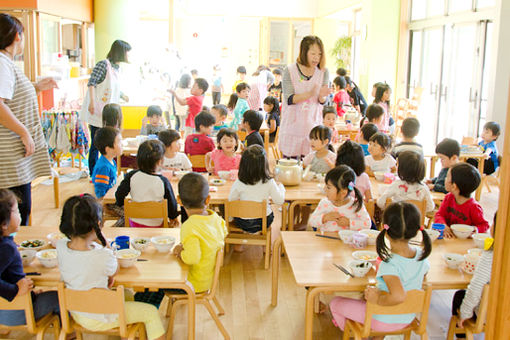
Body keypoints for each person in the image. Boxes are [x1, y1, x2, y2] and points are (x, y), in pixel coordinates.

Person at [56, 194, 165, 340]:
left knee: (126, 295)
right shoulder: (102, 255)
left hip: (77, 312)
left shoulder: (61, 246)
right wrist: (105, 242)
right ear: (98, 224)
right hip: (102, 315)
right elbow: (115, 270)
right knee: (150, 313)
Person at [330, 202, 431, 334]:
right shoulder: (421, 255)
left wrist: (377, 299)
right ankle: (377, 336)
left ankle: (355, 335)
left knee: (335, 303)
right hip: (408, 317)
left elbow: (399, 296)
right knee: (364, 298)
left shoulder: (390, 264)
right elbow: (422, 277)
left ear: (386, 230)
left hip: (383, 321)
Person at [0, 13, 57, 225]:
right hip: (9, 157)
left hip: (13, 156)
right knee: (15, 214)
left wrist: (36, 87)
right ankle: (14, 256)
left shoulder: (6, 63)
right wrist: (24, 132)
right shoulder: (2, 62)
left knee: (18, 211)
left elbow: (9, 94)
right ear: (17, 36)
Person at [0, 189, 60, 326]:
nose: (20, 212)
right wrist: (15, 290)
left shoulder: (6, 243)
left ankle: (32, 298)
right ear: (4, 224)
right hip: (14, 312)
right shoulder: (6, 248)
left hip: (6, 309)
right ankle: (69, 332)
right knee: (59, 298)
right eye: (16, 211)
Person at [81, 39, 131, 175]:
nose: (128, 55)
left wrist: (122, 95)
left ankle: (109, 171)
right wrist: (91, 102)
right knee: (97, 144)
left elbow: (112, 86)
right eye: (127, 52)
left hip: (109, 112)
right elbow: (92, 83)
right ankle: (93, 173)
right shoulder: (103, 64)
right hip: (97, 110)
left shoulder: (116, 68)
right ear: (120, 52)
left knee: (110, 141)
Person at [174, 173, 227, 292]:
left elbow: (192, 258)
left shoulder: (189, 226)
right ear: (208, 199)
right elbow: (223, 233)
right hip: (210, 280)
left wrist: (180, 251)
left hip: (192, 284)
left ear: (179, 200)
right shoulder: (216, 218)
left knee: (160, 277)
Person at [279, 35, 330, 158]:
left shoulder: (323, 72)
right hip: (292, 128)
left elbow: (322, 101)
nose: (316, 58)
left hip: (313, 129)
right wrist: (310, 94)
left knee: (311, 168)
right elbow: (289, 99)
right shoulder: (290, 70)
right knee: (290, 168)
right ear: (304, 52)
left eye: (319, 54)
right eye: (313, 54)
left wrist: (322, 96)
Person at [115, 140, 179, 228]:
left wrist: (123, 205)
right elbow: (172, 205)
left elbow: (119, 195)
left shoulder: (131, 175)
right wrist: (173, 217)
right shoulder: (163, 181)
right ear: (160, 161)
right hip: (157, 224)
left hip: (134, 222)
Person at [451, 213, 496, 338]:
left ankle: (462, 335)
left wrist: (465, 314)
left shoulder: (491, 255)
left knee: (459, 296)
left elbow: (476, 288)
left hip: (491, 314)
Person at [228, 145, 285, 234]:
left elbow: (231, 201)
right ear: (264, 164)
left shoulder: (239, 182)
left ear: (243, 165)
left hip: (243, 223)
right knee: (269, 211)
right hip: (263, 222)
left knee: (234, 213)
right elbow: (279, 201)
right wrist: (281, 188)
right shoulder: (269, 182)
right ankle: (263, 245)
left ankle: (238, 243)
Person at [309, 165, 371, 232]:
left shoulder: (356, 205)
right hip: (326, 240)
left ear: (343, 193)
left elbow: (367, 224)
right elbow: (312, 221)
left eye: (328, 187)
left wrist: (349, 223)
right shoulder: (324, 203)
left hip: (347, 241)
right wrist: (324, 218)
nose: (325, 189)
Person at [434, 163, 489, 237]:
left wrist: (476, 229)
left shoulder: (474, 207)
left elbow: (484, 225)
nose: (445, 179)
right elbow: (439, 215)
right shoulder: (448, 198)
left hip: (465, 243)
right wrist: (443, 225)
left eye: (447, 177)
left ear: (454, 186)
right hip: (449, 239)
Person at [91, 127, 122, 199]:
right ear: (108, 149)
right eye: (119, 142)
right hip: (107, 202)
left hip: (111, 195)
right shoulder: (104, 167)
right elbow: (100, 194)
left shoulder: (111, 161)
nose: (122, 145)